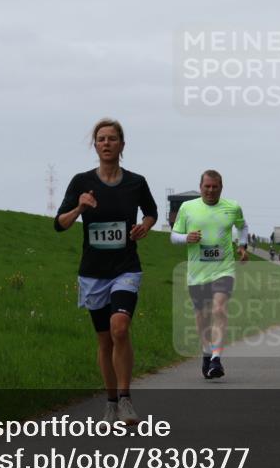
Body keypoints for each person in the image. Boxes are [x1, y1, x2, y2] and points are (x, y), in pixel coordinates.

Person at [55, 118, 158, 425]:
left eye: (113, 139)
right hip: (93, 272)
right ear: (95, 145)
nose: (107, 143)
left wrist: (145, 227)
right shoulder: (81, 182)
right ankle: (110, 402)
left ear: (122, 145)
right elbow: (59, 224)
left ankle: (125, 400)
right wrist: (80, 209)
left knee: (120, 327)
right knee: (104, 340)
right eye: (101, 139)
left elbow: (151, 212)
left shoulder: (136, 182)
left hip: (126, 268)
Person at [171, 170, 249, 379]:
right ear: (200, 187)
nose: (211, 190)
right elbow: (173, 236)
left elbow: (242, 227)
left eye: (215, 187)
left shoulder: (232, 207)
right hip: (197, 272)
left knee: (219, 308)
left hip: (224, 269)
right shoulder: (188, 208)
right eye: (207, 186)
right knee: (202, 316)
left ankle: (216, 358)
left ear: (221, 188)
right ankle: (206, 353)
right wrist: (186, 237)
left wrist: (242, 246)